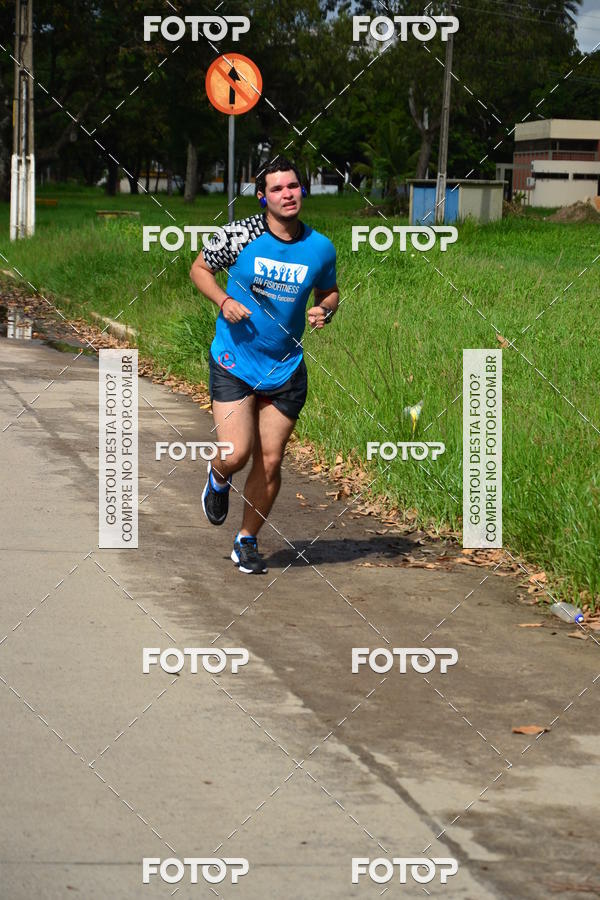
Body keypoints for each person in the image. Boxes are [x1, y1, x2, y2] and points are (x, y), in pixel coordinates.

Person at [189, 157, 339, 574]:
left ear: (302, 190)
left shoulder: (320, 247)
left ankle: (246, 540)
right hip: (235, 362)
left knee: (270, 461)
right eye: (277, 189)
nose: (287, 195)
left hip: (285, 368)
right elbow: (199, 269)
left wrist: (325, 310)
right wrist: (224, 300)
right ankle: (218, 476)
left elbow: (329, 291)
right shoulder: (239, 236)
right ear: (262, 197)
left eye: (293, 186)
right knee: (237, 452)